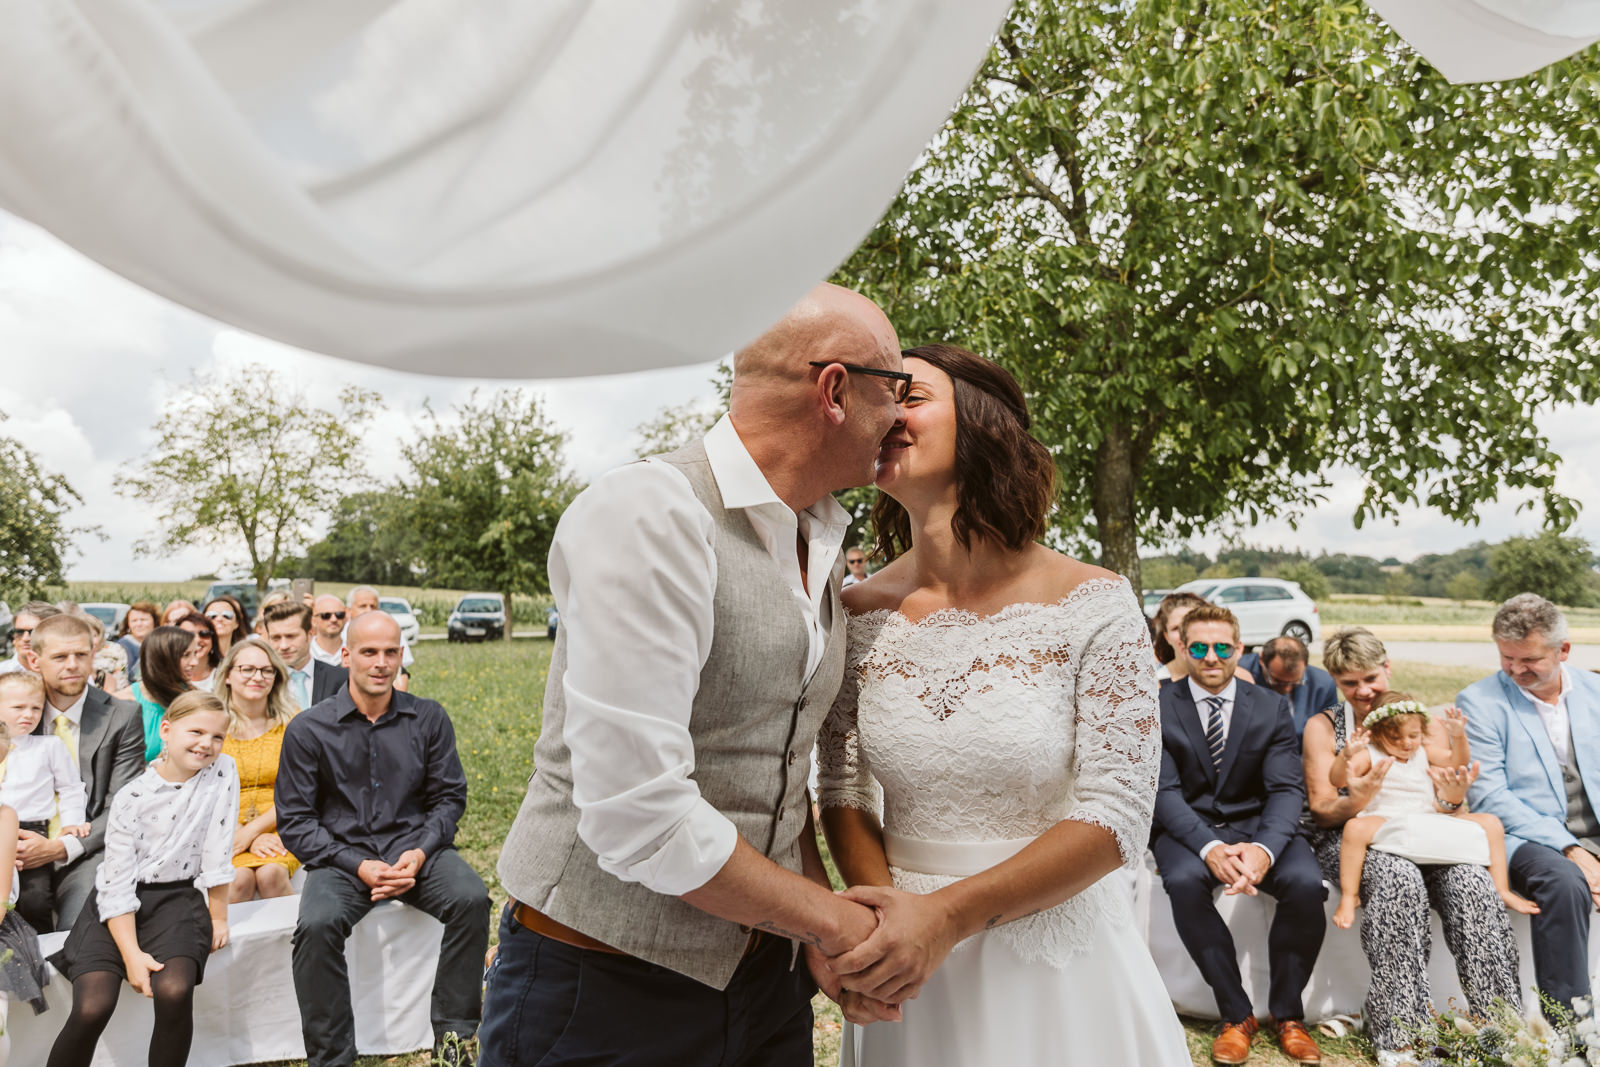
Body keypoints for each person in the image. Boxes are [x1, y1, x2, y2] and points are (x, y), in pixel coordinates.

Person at [481, 284, 908, 1067]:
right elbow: (641, 812)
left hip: (765, 988)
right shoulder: (652, 513)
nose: (903, 414)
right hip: (607, 989)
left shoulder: (820, 536)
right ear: (836, 390)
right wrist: (830, 921)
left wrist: (805, 931)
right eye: (896, 387)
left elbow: (779, 773)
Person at [815, 344, 1186, 1065]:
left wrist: (945, 918)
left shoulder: (1095, 603)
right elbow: (842, 786)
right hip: (905, 967)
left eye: (911, 396)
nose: (885, 411)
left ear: (983, 424)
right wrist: (884, 926)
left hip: (1053, 965)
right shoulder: (856, 612)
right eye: (878, 398)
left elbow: (1117, 813)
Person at [277, 611, 488, 1066]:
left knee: (471, 898)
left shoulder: (428, 718)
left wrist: (419, 851)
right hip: (342, 860)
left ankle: (453, 1040)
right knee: (315, 927)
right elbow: (296, 822)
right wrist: (357, 864)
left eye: (391, 652)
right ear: (346, 655)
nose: (381, 662)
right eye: (370, 652)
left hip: (418, 851)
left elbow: (449, 798)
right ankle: (332, 1058)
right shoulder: (309, 728)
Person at [1304, 626, 1520, 1066]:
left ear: (1387, 668)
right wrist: (1359, 800)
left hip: (1425, 832)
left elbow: (1449, 794)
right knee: (1397, 877)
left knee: (1470, 882)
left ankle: (1500, 1027)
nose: (1363, 691)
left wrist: (1451, 796)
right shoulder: (1324, 727)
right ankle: (1403, 1035)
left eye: (1370, 678)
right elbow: (1324, 810)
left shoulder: (1417, 721)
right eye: (1350, 682)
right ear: (1334, 681)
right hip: (1356, 840)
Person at [1151, 603, 1327, 1066]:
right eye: (1200, 647)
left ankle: (1288, 1015)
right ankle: (1236, 1015)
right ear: (1182, 647)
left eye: (1222, 647)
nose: (1212, 657)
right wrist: (1208, 847)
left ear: (1239, 648)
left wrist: (1265, 850)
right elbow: (1163, 792)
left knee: (1307, 884)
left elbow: (1287, 789)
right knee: (1185, 882)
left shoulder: (1271, 706)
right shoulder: (1157, 706)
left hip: (1257, 828)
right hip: (1187, 827)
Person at [44, 690, 237, 1067]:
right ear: (166, 729)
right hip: (117, 903)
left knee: (175, 990)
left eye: (217, 736)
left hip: (177, 897)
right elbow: (115, 883)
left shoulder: (222, 770)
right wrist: (131, 956)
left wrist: (218, 915)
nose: (206, 744)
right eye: (195, 732)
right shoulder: (133, 796)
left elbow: (218, 846)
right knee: (93, 1006)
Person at [1463, 593, 1600, 1019]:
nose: (1515, 670)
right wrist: (1572, 849)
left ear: (1563, 651)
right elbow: (1490, 796)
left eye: (1529, 660)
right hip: (1526, 837)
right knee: (1563, 883)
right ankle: (1575, 1032)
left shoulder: (1597, 691)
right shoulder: (1479, 701)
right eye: (1507, 658)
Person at [1330, 691, 1535, 930]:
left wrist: (1458, 737)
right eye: (1394, 737)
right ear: (1376, 733)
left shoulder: (1423, 753)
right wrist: (1346, 754)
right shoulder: (1370, 755)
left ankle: (1501, 889)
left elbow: (1456, 762)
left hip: (1425, 816)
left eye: (1413, 735)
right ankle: (1349, 895)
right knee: (1354, 828)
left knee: (1491, 823)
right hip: (1385, 817)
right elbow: (1337, 780)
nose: (1406, 743)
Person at [18, 614, 146, 931]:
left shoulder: (122, 715)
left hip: (86, 851)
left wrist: (61, 847)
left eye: (81, 655)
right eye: (60, 657)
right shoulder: (12, 710)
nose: (73, 665)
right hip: (14, 846)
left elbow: (124, 802)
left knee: (78, 933)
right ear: (35, 660)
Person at [0, 671, 90, 933]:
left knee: (35, 898)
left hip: (30, 833)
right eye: (18, 707)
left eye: (36, 708)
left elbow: (71, 787)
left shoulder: (49, 746)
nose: (28, 714)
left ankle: (38, 951)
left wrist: (73, 822)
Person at [215, 637, 300, 902]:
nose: (257, 677)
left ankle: (295, 943)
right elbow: (204, 788)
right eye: (247, 669)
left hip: (282, 823)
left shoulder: (293, 723)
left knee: (271, 874)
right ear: (228, 675)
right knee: (238, 880)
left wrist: (253, 833)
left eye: (266, 670)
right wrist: (242, 834)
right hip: (224, 825)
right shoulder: (212, 724)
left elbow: (299, 792)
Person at [117, 626, 201, 762]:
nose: (195, 662)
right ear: (163, 657)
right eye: (186, 655)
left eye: (195, 654)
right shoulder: (123, 702)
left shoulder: (195, 699)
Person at [1239, 636, 1339, 736]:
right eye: (1277, 681)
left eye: (1295, 682)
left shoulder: (1324, 685)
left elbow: (1329, 734)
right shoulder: (1239, 673)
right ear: (1261, 660)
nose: (1286, 689)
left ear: (1305, 665)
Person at [261, 600, 348, 710]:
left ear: (310, 634)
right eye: (276, 638)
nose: (283, 646)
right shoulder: (263, 681)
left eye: (291, 636)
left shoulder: (341, 679)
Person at [345, 587, 412, 691]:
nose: (368, 610)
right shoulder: (340, 634)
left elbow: (400, 672)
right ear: (348, 611)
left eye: (373, 606)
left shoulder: (392, 631)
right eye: (362, 606)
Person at [0, 602, 60, 676]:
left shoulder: (66, 673)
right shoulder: (2, 673)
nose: (25, 638)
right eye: (19, 632)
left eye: (33, 632)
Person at [114, 601, 159, 685]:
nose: (139, 624)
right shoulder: (122, 646)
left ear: (154, 621)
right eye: (134, 621)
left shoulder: (161, 643)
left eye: (143, 620)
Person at [178, 612, 221, 691]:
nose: (197, 640)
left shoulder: (225, 676)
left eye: (204, 634)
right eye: (189, 634)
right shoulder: (168, 679)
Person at [308, 595, 347, 667]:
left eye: (339, 615)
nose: (334, 619)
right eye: (326, 615)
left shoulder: (353, 650)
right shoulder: (305, 652)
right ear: (313, 620)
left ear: (345, 618)